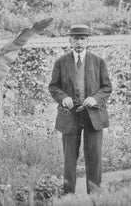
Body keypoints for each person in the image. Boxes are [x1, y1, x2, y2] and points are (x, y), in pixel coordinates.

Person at [48, 24, 112, 194]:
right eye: (75, 38)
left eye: (82, 38)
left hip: (93, 115)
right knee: (69, 157)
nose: (79, 42)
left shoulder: (99, 62)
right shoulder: (61, 63)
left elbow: (106, 88)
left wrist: (94, 98)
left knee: (94, 156)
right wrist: (64, 98)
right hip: (70, 116)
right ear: (70, 40)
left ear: (88, 41)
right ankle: (68, 195)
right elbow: (54, 87)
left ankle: (95, 195)